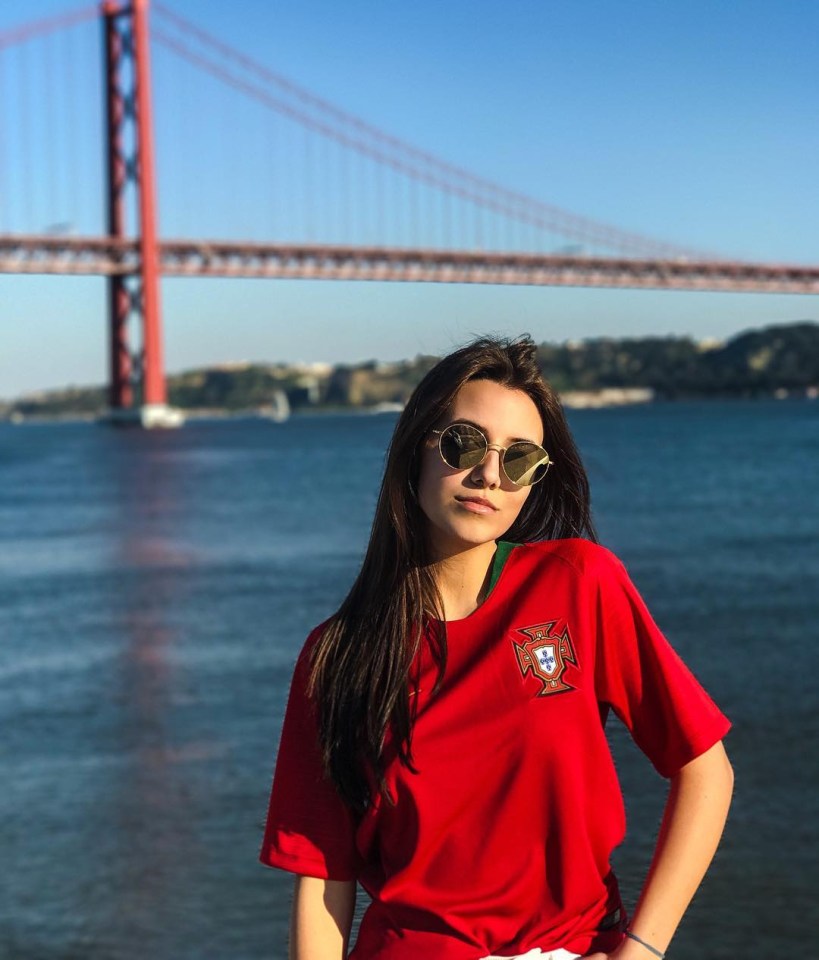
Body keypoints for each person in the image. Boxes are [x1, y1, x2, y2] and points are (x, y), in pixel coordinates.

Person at [259, 335, 734, 960]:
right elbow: (323, 881)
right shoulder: (337, 656)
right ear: (415, 450)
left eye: (519, 460)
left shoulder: (578, 582)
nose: (488, 474)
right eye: (465, 444)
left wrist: (642, 950)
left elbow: (705, 769)